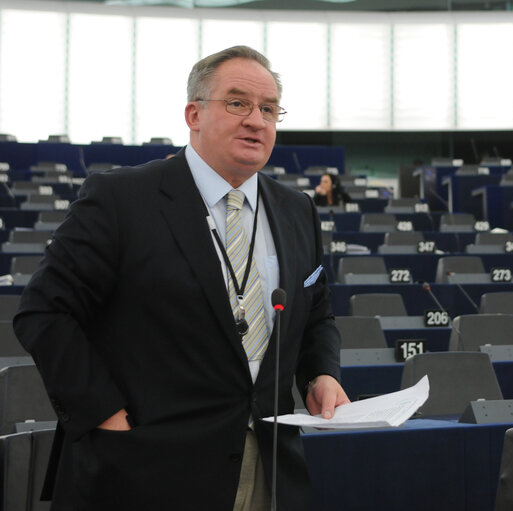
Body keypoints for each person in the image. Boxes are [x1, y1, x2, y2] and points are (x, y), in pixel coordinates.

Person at [13, 46, 349, 511]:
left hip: (267, 467)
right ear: (194, 113)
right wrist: (104, 415)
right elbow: (45, 311)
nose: (256, 119)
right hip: (142, 468)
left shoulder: (298, 210)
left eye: (269, 109)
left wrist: (321, 372)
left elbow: (316, 313)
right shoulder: (121, 197)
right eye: (237, 103)